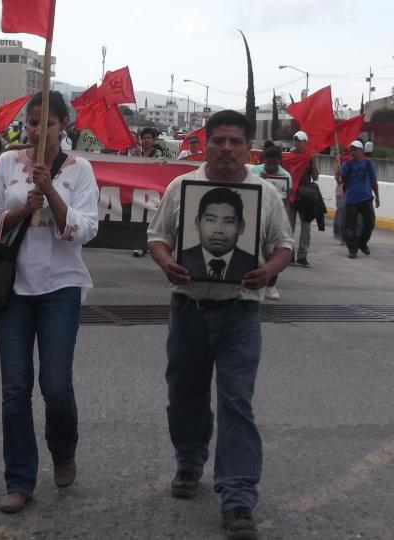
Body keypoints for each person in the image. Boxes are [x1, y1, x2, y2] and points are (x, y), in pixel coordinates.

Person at [146, 110, 293, 540]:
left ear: (248, 147)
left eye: (235, 141)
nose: (226, 148)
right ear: (205, 143)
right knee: (184, 397)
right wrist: (167, 262)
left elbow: (282, 245)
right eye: (219, 140)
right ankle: (190, 461)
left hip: (240, 314)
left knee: (236, 403)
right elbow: (157, 237)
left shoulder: (265, 194)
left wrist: (269, 271)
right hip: (188, 309)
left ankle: (238, 496)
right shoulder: (181, 188)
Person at [0, 90, 100, 514]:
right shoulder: (8, 164)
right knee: (15, 390)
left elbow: (87, 228)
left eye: (46, 122)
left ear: (63, 125)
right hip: (13, 289)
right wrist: (16, 213)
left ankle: (63, 449)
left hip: (60, 288)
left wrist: (51, 192)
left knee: (55, 385)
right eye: (32, 122)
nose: (37, 130)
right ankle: (19, 479)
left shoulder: (80, 170)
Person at [178, 187, 259, 282]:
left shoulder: (253, 265)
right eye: (210, 220)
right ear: (197, 222)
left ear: (241, 226)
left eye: (228, 221)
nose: (218, 230)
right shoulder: (181, 261)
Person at [250, 145, 292, 300]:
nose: (272, 167)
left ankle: (271, 284)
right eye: (269, 164)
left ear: (280, 161)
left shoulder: (286, 176)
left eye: (275, 164)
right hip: (257, 217)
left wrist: (286, 219)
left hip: (274, 217)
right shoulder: (254, 172)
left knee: (275, 251)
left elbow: (286, 200)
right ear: (264, 161)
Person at [341, 140, 381, 259]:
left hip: (366, 199)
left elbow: (374, 181)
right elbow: (341, 181)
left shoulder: (368, 164)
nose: (352, 152)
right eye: (351, 149)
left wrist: (377, 197)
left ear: (361, 151)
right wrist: (338, 175)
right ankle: (352, 249)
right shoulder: (346, 165)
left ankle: (362, 243)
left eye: (355, 149)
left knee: (370, 223)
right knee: (350, 225)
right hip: (351, 200)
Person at [289, 131, 318, 267]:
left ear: (305, 142)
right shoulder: (290, 155)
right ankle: (289, 254)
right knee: (288, 227)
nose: (296, 142)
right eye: (295, 140)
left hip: (305, 197)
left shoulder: (310, 157)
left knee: (306, 228)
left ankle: (302, 256)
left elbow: (316, 177)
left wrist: (314, 161)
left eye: (299, 140)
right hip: (291, 196)